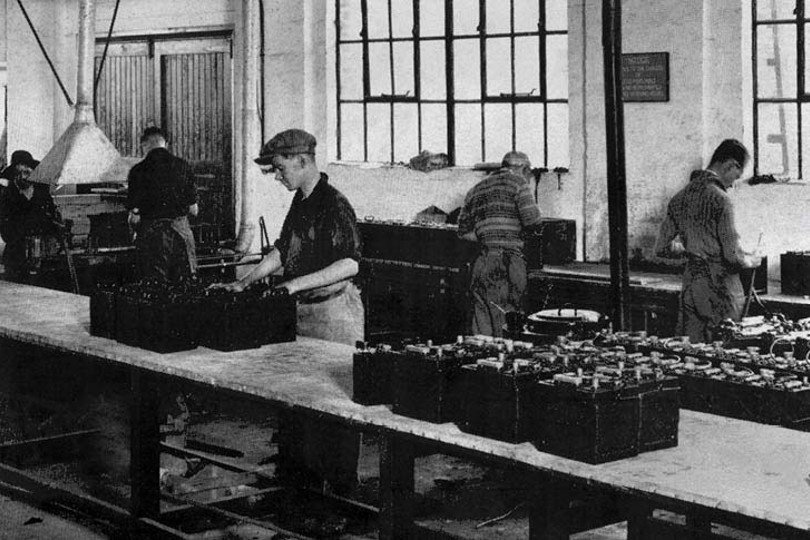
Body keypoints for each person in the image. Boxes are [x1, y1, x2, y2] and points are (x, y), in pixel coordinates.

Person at [213, 128, 363, 495]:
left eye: (281, 168)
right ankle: (301, 483)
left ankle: (342, 490)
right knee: (298, 400)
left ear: (303, 161)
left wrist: (293, 285)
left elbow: (349, 263)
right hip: (303, 312)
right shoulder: (301, 201)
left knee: (335, 404)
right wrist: (245, 282)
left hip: (332, 314)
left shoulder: (334, 204)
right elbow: (282, 250)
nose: (278, 176)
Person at [654, 138, 762, 343]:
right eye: (736, 176)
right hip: (720, 290)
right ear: (731, 165)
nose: (732, 185)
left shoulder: (679, 197)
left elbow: (661, 248)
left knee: (691, 350)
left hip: (692, 286)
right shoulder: (722, 199)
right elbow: (732, 256)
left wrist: (690, 250)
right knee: (725, 352)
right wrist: (752, 260)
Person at [457, 151, 542, 337]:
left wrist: (488, 237)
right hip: (508, 262)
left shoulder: (476, 189)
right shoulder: (518, 183)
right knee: (506, 320)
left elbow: (463, 232)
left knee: (482, 321)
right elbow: (533, 221)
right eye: (529, 172)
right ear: (524, 168)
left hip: (482, 262)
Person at [127, 127, 198, 281]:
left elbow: (134, 218)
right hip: (181, 235)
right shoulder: (184, 166)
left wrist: (136, 232)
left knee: (155, 286)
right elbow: (194, 210)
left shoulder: (137, 171)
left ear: (144, 145)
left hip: (152, 238)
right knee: (186, 285)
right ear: (165, 143)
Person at [0, 150, 65, 283]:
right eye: (21, 170)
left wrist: (57, 227)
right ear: (14, 174)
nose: (26, 174)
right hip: (17, 257)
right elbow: (6, 230)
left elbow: (51, 216)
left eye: (28, 168)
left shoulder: (41, 191)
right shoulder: (7, 195)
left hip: (43, 255)